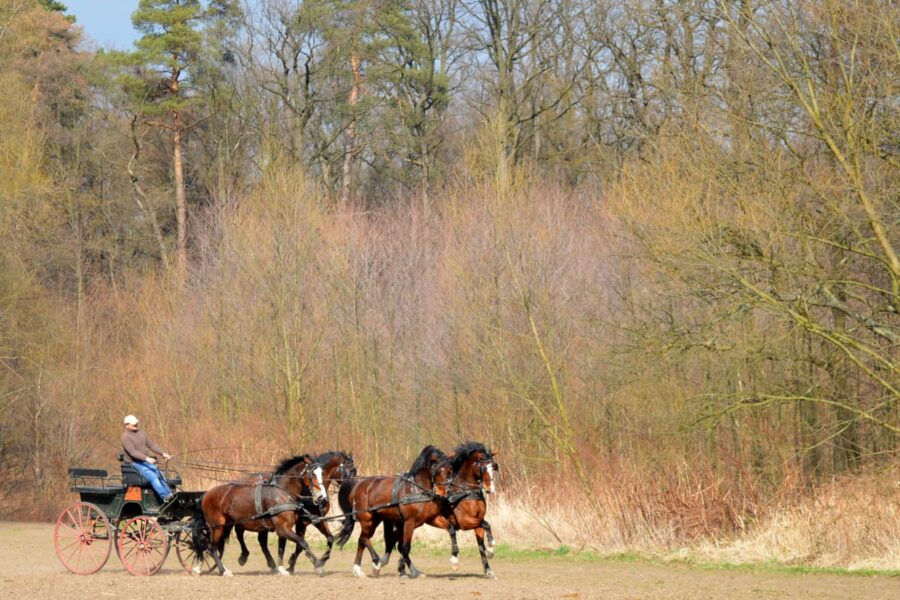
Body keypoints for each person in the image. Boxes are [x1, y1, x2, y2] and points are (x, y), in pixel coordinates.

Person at [121, 414, 174, 503]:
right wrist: (147, 458)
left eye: (136, 423)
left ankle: (170, 494)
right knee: (153, 476)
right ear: (127, 425)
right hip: (133, 463)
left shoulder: (142, 433)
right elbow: (133, 452)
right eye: (133, 424)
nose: (136, 425)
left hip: (143, 461)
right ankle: (165, 496)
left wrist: (163, 453)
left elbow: (151, 445)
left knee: (160, 474)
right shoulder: (125, 437)